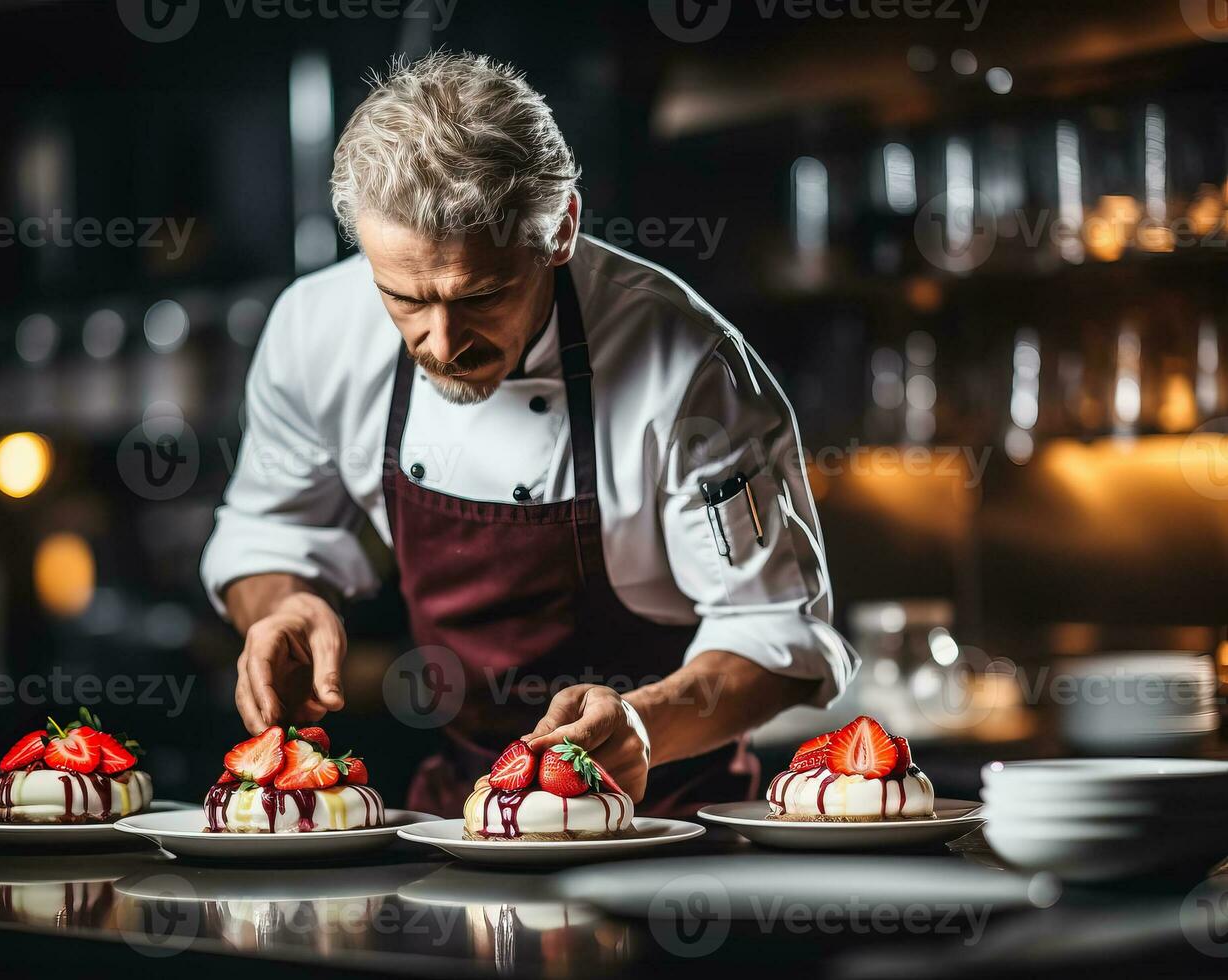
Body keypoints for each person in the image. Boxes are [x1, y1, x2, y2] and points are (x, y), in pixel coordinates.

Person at [201, 52, 856, 816]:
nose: (442, 342)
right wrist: (279, 605)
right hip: (464, 813)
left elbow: (776, 629)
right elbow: (269, 531)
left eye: (481, 296)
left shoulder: (688, 368)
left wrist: (644, 724)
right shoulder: (316, 331)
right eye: (404, 298)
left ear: (562, 230)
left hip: (667, 817)